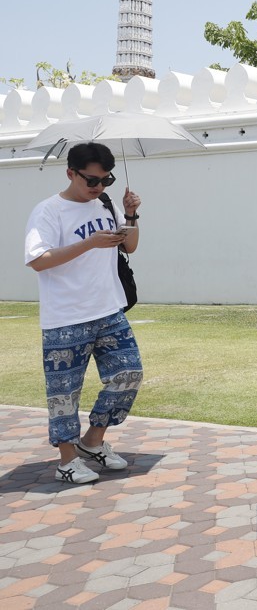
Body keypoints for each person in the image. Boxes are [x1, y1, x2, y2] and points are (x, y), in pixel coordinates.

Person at [24, 142, 144, 485]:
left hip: (109, 310)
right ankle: (66, 461)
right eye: (91, 180)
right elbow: (37, 260)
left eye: (106, 180)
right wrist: (88, 243)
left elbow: (130, 246)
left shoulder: (105, 203)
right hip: (65, 318)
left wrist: (131, 214)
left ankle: (92, 442)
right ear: (70, 173)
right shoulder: (48, 211)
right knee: (64, 392)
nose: (98, 187)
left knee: (129, 374)